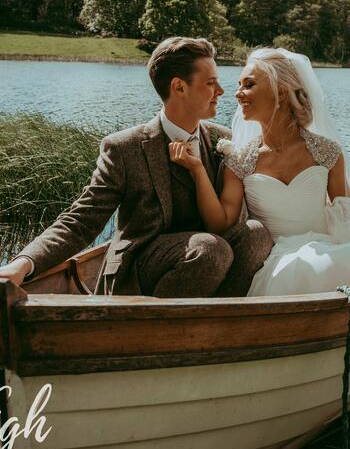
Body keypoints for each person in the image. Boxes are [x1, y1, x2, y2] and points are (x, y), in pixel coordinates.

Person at [0, 37, 273, 297]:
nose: (221, 92)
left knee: (256, 235)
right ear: (179, 87)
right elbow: (81, 220)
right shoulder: (124, 148)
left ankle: (215, 323)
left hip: (210, 261)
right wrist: (23, 262)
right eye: (211, 83)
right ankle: (153, 332)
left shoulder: (221, 138)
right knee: (210, 249)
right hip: (140, 272)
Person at [169, 48, 350, 297]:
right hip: (274, 259)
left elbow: (345, 213)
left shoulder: (327, 152)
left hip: (327, 248)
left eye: (248, 85)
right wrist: (198, 170)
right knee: (298, 272)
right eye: (239, 85)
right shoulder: (240, 159)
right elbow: (221, 222)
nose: (237, 94)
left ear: (280, 90)